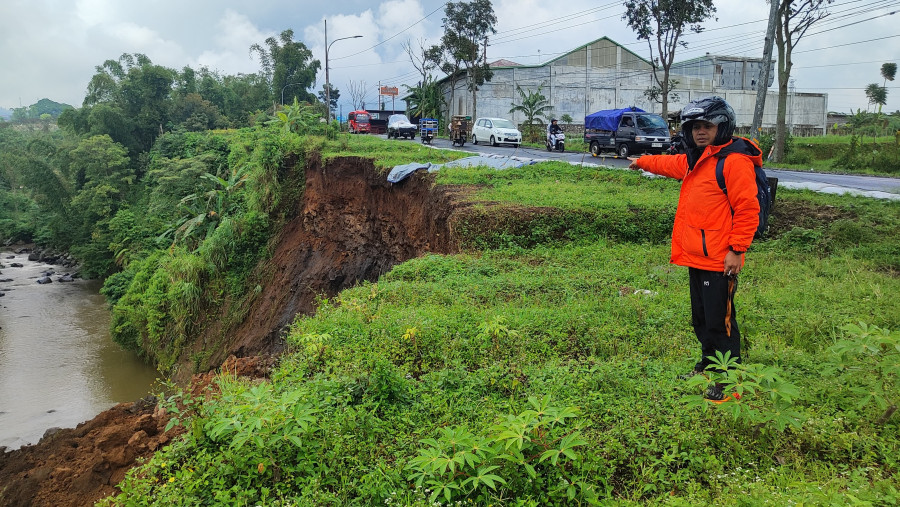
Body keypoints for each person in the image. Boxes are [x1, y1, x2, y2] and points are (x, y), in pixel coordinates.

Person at [627, 96, 762, 401]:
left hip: (719, 259)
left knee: (721, 322)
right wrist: (642, 161)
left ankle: (729, 381)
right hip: (698, 256)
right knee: (701, 318)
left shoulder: (734, 162)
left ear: (722, 126)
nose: (701, 132)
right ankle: (708, 365)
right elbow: (668, 163)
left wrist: (737, 249)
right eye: (695, 127)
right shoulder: (696, 160)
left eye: (707, 126)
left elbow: (747, 209)